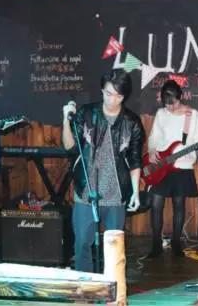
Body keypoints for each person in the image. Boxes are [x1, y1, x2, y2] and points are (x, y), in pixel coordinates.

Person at [62, 69, 145, 272]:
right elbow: (70, 147)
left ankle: (114, 286)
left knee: (115, 247)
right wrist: (65, 120)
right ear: (102, 91)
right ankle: (85, 286)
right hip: (86, 190)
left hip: (116, 193)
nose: (112, 100)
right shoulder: (86, 113)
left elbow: (135, 160)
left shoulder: (131, 122)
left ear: (124, 96)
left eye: (118, 96)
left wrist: (135, 192)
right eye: (108, 93)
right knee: (82, 243)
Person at [146, 80, 198, 257]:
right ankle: (156, 245)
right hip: (161, 165)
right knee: (156, 203)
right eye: (167, 104)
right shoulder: (161, 114)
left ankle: (176, 244)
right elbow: (154, 137)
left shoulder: (192, 115)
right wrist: (151, 150)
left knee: (178, 204)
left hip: (182, 165)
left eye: (173, 103)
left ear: (180, 97)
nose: (170, 107)